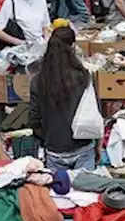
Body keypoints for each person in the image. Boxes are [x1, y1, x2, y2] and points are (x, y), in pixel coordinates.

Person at [31, 27, 96, 170]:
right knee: (85, 192)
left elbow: (34, 118)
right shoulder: (83, 76)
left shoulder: (38, 81)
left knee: (57, 192)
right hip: (82, 144)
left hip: (55, 148)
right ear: (72, 46)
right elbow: (95, 112)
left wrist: (47, 137)